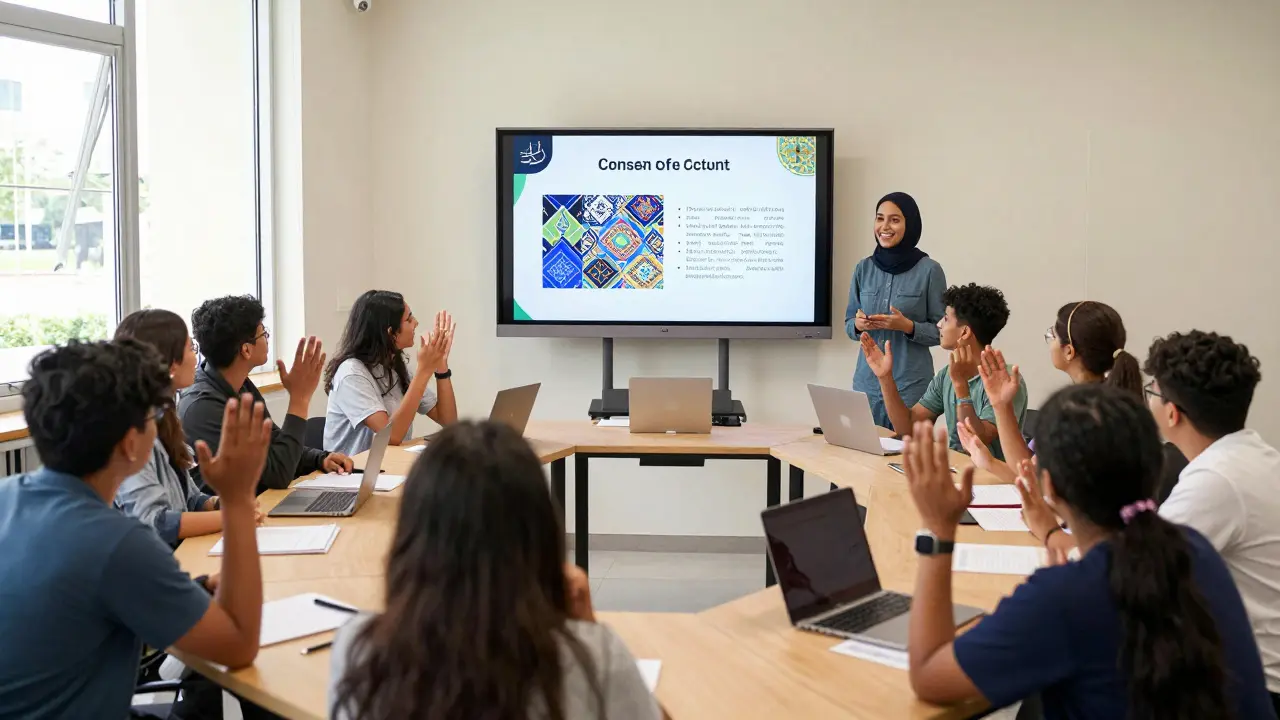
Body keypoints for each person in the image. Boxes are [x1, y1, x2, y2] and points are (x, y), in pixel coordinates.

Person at [900, 384, 1276, 719]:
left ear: (1050, 487)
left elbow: (929, 674)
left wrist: (938, 529)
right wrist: (1051, 535)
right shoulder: (1195, 550)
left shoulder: (1063, 596)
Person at [0, 340, 270, 718]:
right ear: (130, 443)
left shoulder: (8, 496)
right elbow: (238, 647)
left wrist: (190, 589)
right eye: (153, 416)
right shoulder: (116, 542)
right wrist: (238, 500)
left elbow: (73, 599)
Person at [328, 420, 665, 720]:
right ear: (540, 532)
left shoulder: (357, 650)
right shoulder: (597, 659)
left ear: (411, 538)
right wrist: (587, 628)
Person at [1144, 330, 1280, 712]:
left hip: (1252, 690)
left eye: (1151, 391)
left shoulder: (1217, 480)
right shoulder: (1252, 455)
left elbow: (1135, 568)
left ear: (1172, 413)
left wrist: (1053, 532)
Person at [113, 309, 263, 547]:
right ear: (171, 363)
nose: (196, 357)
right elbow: (154, 523)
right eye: (191, 348)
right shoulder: (132, 433)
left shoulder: (164, 416)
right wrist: (231, 517)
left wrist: (224, 504)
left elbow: (190, 500)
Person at [179, 295, 353, 494]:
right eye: (264, 333)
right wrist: (300, 399)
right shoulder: (202, 408)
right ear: (246, 350)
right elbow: (278, 473)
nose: (267, 339)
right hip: (227, 512)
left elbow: (275, 443)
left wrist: (320, 459)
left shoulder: (239, 383)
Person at [957, 299, 1144, 483]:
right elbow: (1029, 470)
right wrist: (1001, 406)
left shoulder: (1073, 413)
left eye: (1052, 335)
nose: (1049, 341)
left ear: (1069, 351)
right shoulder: (1115, 405)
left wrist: (1001, 407)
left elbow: (1032, 478)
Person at [860, 283, 1026, 459]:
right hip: (955, 469)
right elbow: (908, 428)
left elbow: (977, 441)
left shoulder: (1006, 381)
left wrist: (960, 386)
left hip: (989, 475)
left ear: (964, 332)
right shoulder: (946, 375)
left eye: (946, 319)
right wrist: (885, 377)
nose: (939, 324)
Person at [844, 192, 947, 428]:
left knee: (906, 450)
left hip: (910, 386)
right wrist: (857, 325)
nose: (885, 226)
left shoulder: (930, 270)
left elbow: (943, 332)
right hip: (867, 385)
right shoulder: (863, 268)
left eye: (895, 220)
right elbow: (849, 324)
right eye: (880, 218)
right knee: (864, 450)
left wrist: (908, 327)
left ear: (910, 224)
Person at [323, 290, 458, 456]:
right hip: (355, 470)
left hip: (390, 465)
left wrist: (441, 365)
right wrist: (424, 371)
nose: (416, 323)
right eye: (409, 319)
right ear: (389, 332)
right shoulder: (351, 374)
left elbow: (449, 421)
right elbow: (390, 436)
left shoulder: (395, 367)